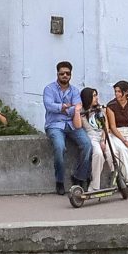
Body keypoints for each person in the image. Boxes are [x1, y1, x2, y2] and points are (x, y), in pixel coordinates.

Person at [41, 61, 93, 193]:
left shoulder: (75, 91)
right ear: (57, 74)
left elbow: (77, 108)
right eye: (62, 73)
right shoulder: (49, 89)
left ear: (71, 75)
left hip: (72, 124)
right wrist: (63, 107)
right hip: (54, 125)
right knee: (59, 147)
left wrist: (62, 108)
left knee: (87, 144)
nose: (65, 75)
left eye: (67, 73)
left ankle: (79, 177)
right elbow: (49, 106)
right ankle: (59, 181)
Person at [101, 80, 128, 188]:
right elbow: (113, 127)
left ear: (126, 92)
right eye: (115, 92)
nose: (117, 94)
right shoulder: (111, 105)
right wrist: (124, 140)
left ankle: (126, 180)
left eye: (119, 92)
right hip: (117, 133)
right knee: (123, 150)